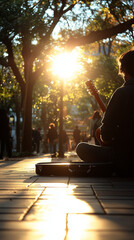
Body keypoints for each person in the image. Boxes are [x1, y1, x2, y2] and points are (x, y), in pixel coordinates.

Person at [76, 50, 134, 176]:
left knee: (81, 147)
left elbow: (106, 135)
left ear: (123, 69)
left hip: (123, 158)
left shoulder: (121, 93)